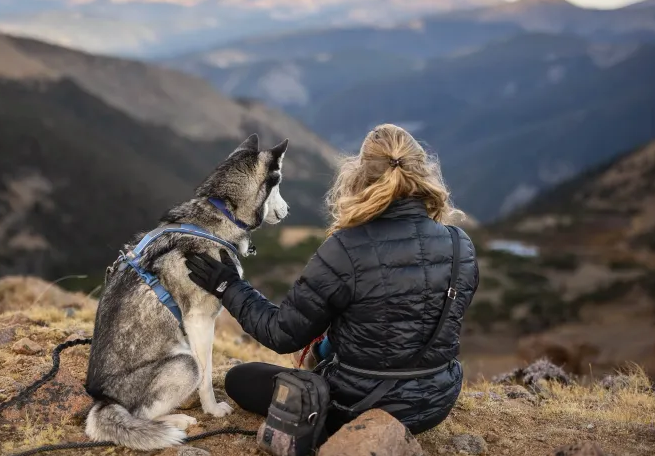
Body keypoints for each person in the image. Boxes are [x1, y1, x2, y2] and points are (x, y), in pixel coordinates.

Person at [185, 123, 479, 435]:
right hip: (436, 403)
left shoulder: (346, 249)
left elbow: (282, 334)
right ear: (423, 173)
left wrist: (228, 285)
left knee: (239, 379)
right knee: (325, 350)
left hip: (357, 405)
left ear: (359, 175)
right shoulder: (461, 245)